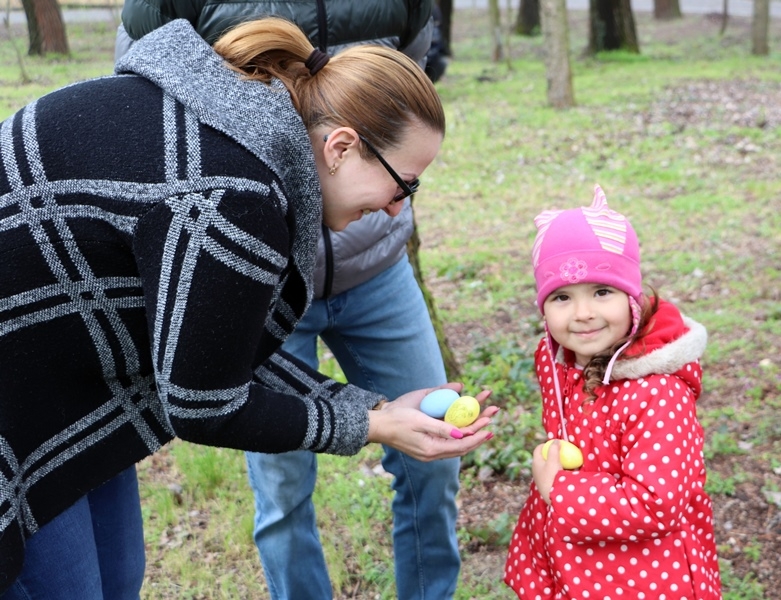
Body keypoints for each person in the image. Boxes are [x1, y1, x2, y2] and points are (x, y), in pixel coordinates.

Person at [0, 17, 498, 599]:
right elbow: (203, 404)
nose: (396, 212)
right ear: (340, 147)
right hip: (19, 404)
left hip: (62, 382)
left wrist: (375, 408)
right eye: (403, 185)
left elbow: (213, 354)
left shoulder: (238, 133)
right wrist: (370, 425)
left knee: (117, 578)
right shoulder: (237, 198)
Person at [117, 2, 461, 598]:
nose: (405, 202)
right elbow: (147, 91)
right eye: (403, 187)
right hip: (257, 276)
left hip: (376, 272)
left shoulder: (377, 184)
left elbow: (408, 84)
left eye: (414, 188)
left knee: (435, 458)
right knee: (281, 488)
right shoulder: (236, 200)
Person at [503, 185, 721, 599]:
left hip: (645, 578)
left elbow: (656, 503)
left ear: (631, 298)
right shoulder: (561, 362)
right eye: (562, 297)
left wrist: (558, 492)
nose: (583, 313)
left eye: (602, 292)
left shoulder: (659, 394)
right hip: (574, 561)